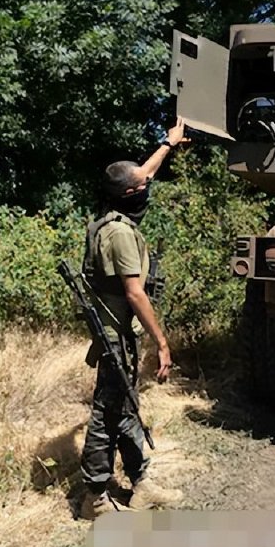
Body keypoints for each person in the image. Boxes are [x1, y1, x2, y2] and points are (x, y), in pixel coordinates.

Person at [79, 116, 187, 519]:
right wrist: (162, 342)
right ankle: (94, 498)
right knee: (107, 412)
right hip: (116, 333)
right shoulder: (120, 233)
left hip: (118, 331)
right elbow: (134, 292)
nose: (148, 187)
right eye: (142, 186)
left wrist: (168, 143)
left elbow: (143, 174)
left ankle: (141, 482)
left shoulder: (110, 214)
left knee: (124, 407)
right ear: (129, 194)